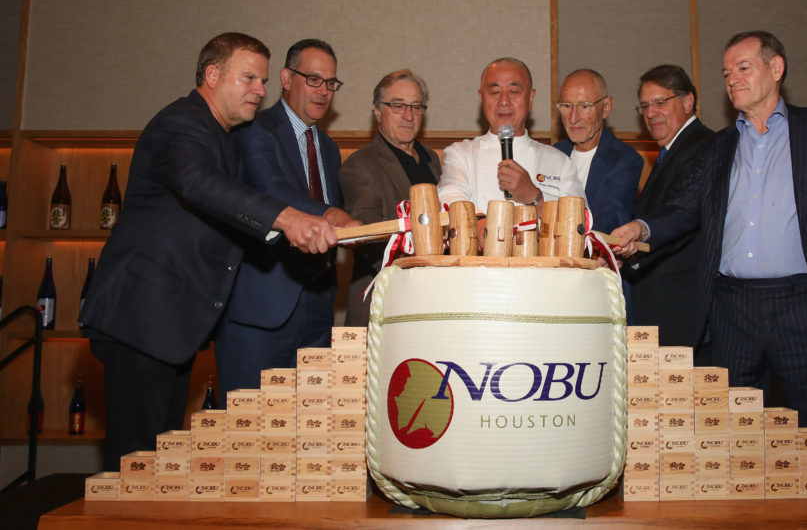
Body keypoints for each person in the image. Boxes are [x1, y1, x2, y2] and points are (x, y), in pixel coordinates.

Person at [81, 32, 339, 471]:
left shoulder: (225, 136)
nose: (260, 90)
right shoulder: (180, 123)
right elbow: (202, 185)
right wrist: (288, 217)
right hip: (142, 317)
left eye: (261, 80)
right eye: (249, 78)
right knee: (134, 468)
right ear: (212, 74)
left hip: (176, 329)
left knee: (158, 469)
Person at [612, 31, 807, 443]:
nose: (732, 79)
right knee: (738, 443)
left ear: (776, 68)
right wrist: (643, 229)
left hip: (804, 303)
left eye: (743, 68)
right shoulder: (721, 145)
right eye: (726, 72)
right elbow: (688, 210)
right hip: (732, 310)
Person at [213, 39, 361, 404]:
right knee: (250, 438)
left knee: (308, 434)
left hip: (317, 306)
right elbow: (270, 189)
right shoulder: (253, 129)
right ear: (286, 78)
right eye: (313, 79)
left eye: (331, 83)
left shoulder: (327, 147)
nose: (323, 91)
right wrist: (331, 215)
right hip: (261, 311)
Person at [620, 64, 713, 356]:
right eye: (645, 105)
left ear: (688, 101)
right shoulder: (669, 152)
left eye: (660, 102)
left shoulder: (704, 146)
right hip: (662, 308)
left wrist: (640, 230)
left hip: (683, 311)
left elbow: (684, 211)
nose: (650, 113)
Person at [340, 69, 441, 327]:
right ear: (377, 112)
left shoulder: (434, 161)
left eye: (416, 106)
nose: (408, 115)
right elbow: (371, 240)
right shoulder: (361, 165)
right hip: (386, 306)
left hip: (437, 301)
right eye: (397, 106)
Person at [437, 57, 584, 215]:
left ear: (530, 98)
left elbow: (581, 222)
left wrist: (533, 197)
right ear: (482, 98)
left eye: (514, 92)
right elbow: (450, 203)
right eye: (495, 92)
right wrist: (487, 229)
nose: (504, 101)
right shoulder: (461, 153)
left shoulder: (559, 161)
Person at [553, 69, 642, 233]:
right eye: (566, 106)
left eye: (584, 106)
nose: (573, 118)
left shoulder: (624, 160)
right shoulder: (553, 154)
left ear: (606, 107)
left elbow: (611, 220)